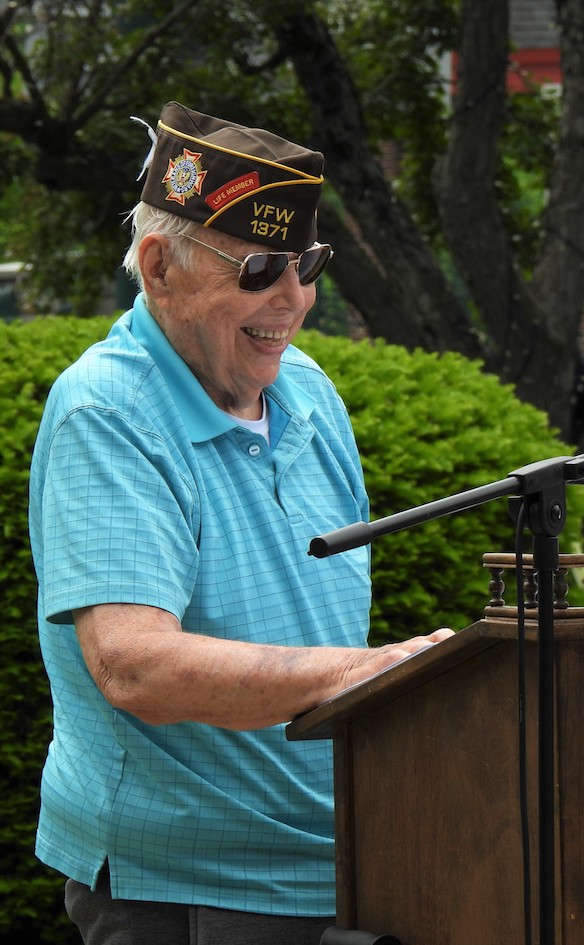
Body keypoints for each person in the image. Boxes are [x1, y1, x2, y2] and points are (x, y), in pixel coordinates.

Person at [28, 102, 453, 945]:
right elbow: (135, 664)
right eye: (260, 268)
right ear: (159, 268)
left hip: (341, 865)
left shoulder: (311, 392)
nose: (294, 300)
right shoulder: (107, 410)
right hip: (183, 888)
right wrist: (361, 673)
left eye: (308, 264)